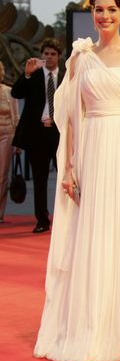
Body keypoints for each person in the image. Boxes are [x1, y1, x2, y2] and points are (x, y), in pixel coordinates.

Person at [34, 0, 120, 361]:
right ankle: (90, 322)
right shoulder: (80, 58)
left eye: (111, 10)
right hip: (93, 148)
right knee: (92, 231)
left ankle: (118, 324)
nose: (103, 16)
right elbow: (70, 117)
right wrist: (69, 166)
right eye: (98, 10)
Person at [11, 38, 64, 233]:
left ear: (58, 56)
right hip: (37, 134)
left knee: (65, 178)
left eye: (52, 54)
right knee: (40, 179)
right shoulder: (32, 75)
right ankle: (42, 219)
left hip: (60, 134)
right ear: (42, 55)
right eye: (46, 54)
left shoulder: (67, 76)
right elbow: (16, 93)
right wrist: (25, 74)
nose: (48, 57)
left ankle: (65, 219)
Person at [0, 61, 19, 223]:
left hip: (6, 135)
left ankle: (0, 212)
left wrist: (18, 143)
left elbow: (16, 118)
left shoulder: (9, 92)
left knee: (2, 176)